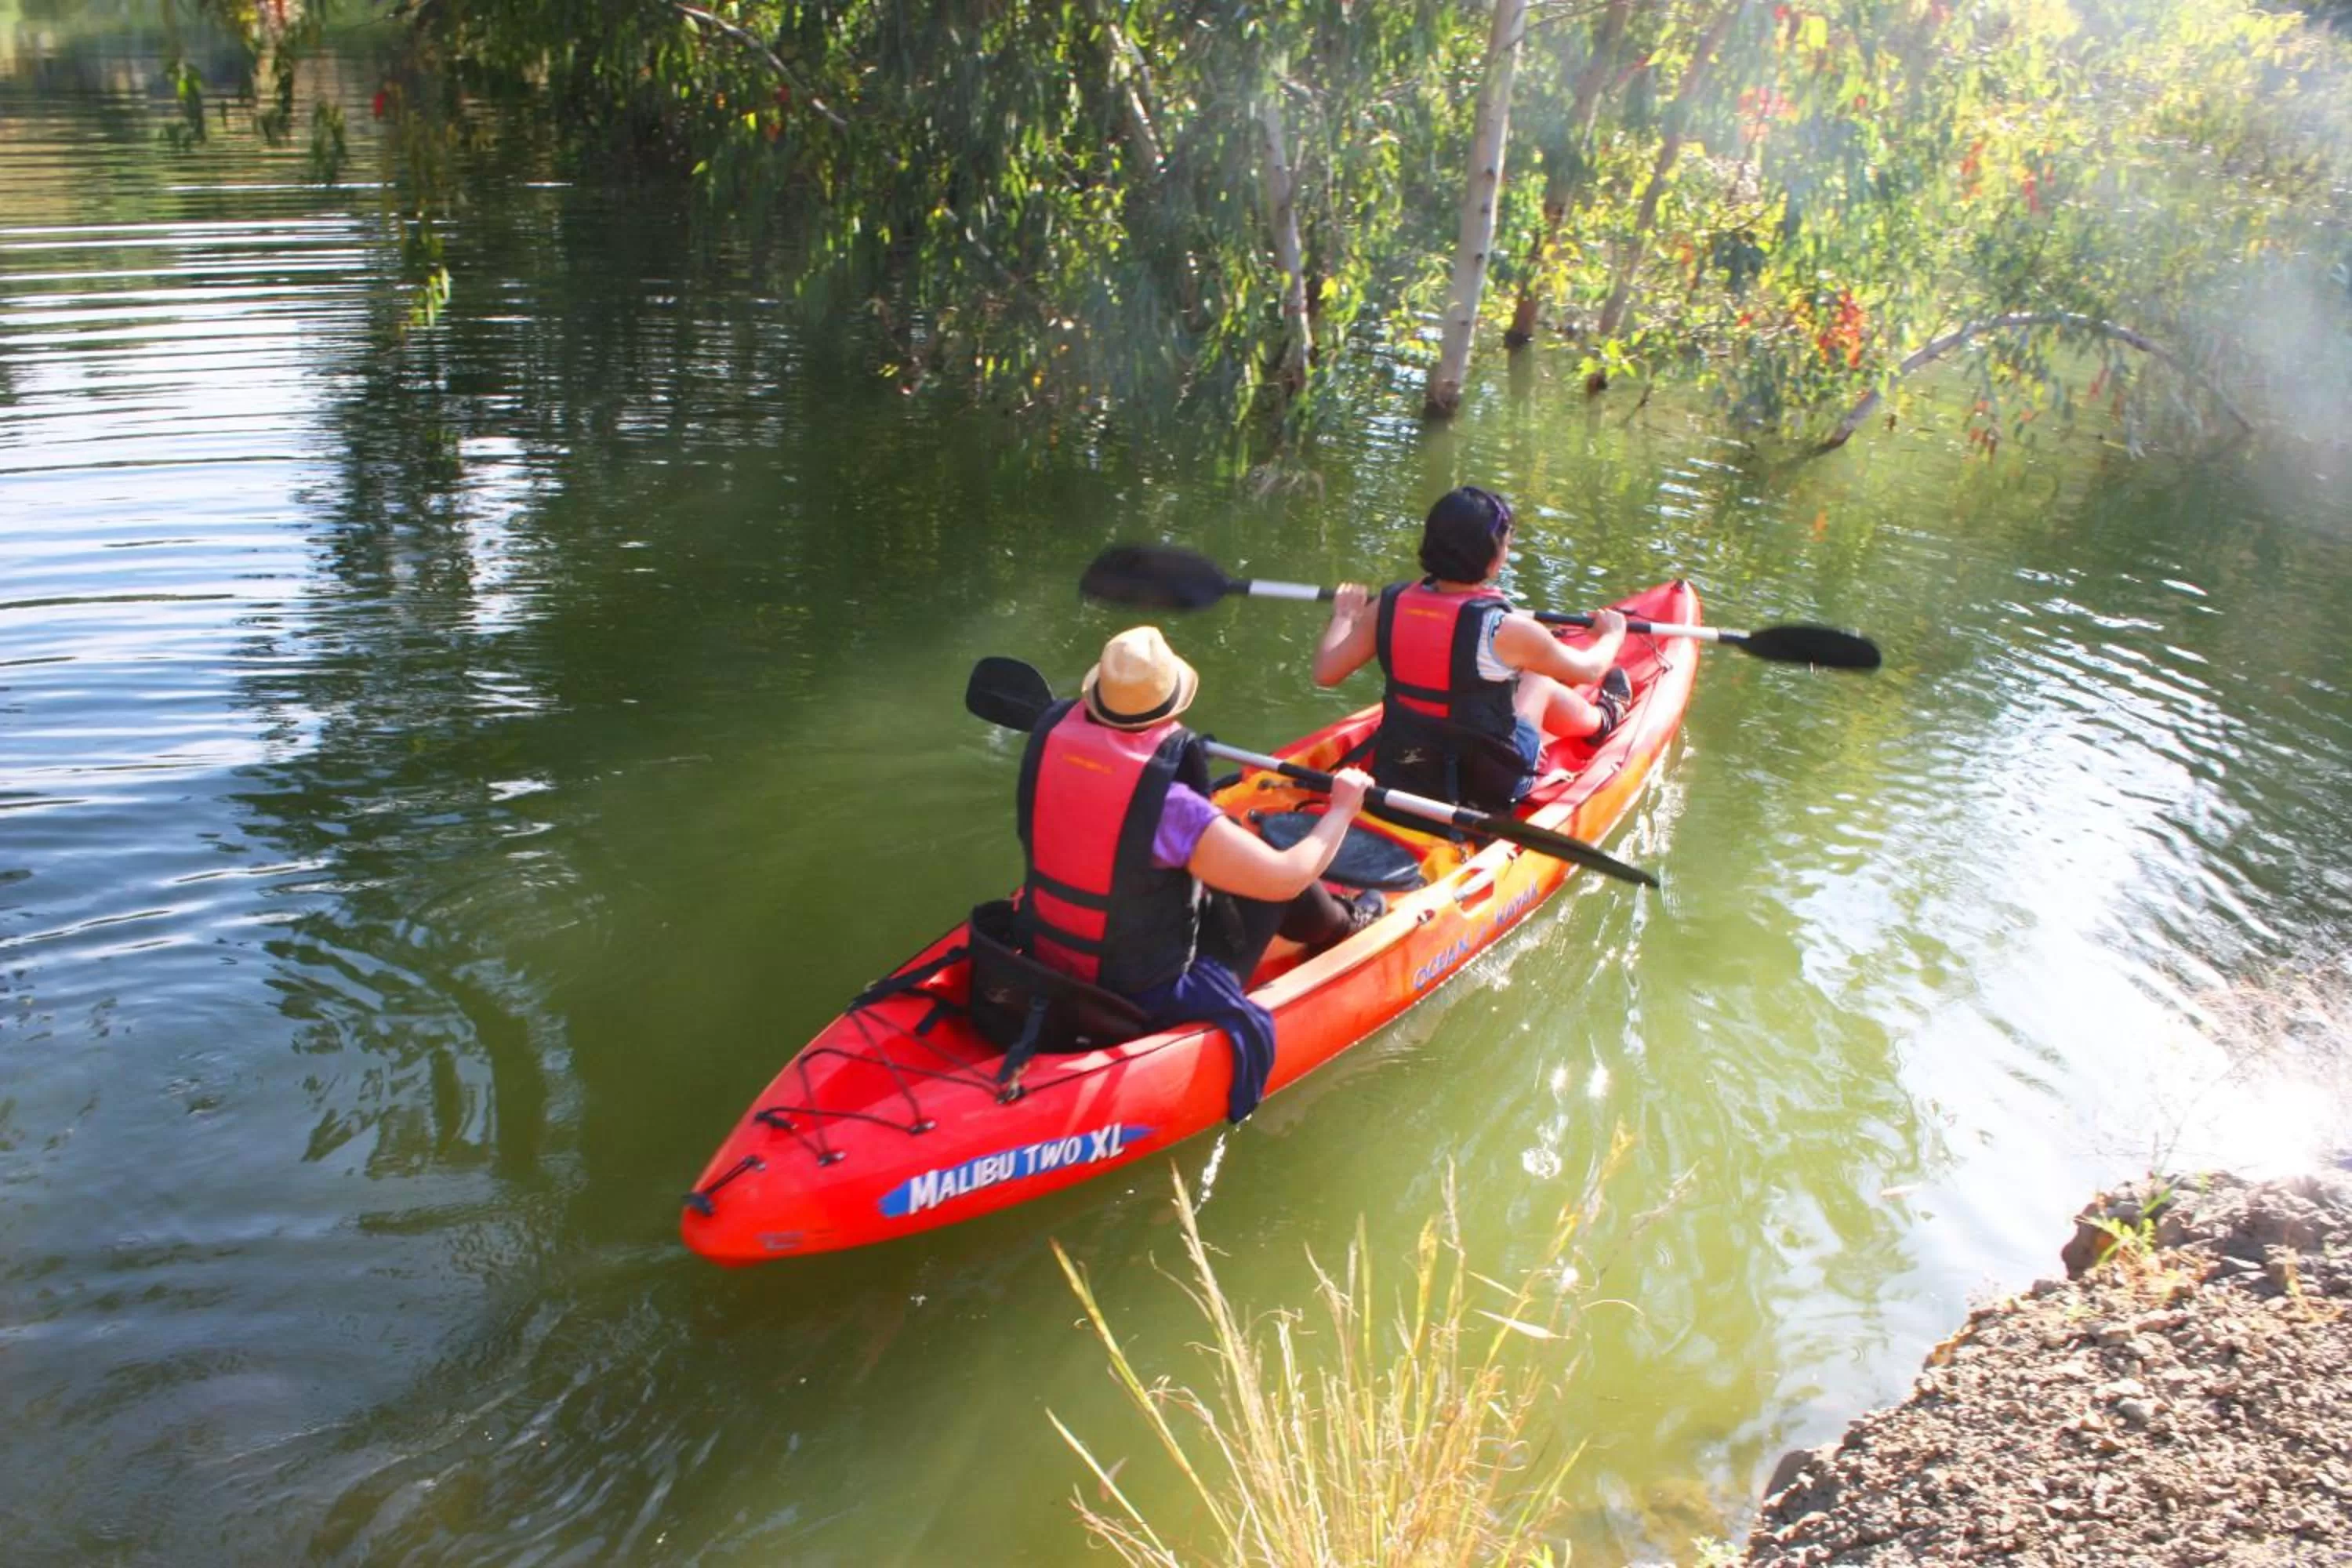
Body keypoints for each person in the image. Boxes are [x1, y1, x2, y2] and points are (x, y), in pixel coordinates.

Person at [1014, 625, 1382, 1120]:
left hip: (1050, 957)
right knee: (1269, 869)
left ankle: (1337, 921)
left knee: (1213, 863)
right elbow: (1288, 877)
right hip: (1142, 991)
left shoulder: (1049, 755)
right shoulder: (1174, 808)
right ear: (1172, 708)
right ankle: (1344, 924)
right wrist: (1342, 809)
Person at [1311, 485, 1632, 809]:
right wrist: (1613, 634)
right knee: (1538, 679)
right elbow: (1589, 670)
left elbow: (1326, 673)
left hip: (1402, 770)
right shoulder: (1509, 629)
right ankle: (1603, 718)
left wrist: (1344, 616)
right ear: (1493, 558)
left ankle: (1587, 713)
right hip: (1486, 787)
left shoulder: (1387, 605)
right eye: (1506, 544)